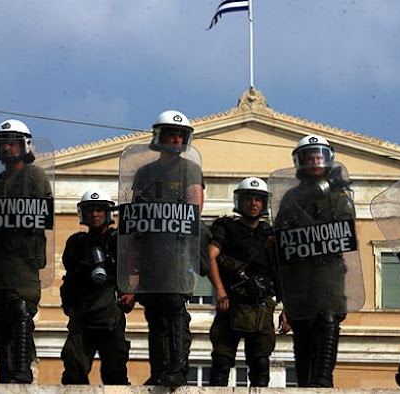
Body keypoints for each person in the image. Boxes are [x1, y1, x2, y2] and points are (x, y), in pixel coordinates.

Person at [0, 119, 53, 383]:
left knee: (20, 311)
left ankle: (21, 371)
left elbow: (43, 213)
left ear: (24, 145)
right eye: (2, 143)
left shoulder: (35, 176)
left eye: (12, 143)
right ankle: (5, 376)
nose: (7, 148)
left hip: (23, 262)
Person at [273, 135, 355, 387]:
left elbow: (344, 228)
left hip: (328, 269)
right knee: (302, 324)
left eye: (319, 157)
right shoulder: (291, 198)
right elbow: (281, 236)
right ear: (300, 163)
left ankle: (323, 379)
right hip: (299, 271)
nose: (314, 162)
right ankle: (306, 381)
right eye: (309, 158)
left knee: (327, 318)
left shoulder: (338, 195)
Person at [130, 110, 202, 386]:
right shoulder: (145, 173)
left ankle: (177, 367)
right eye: (170, 134)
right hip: (151, 250)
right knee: (154, 310)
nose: (175, 139)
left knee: (174, 307)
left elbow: (195, 208)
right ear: (159, 137)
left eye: (179, 136)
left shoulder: (189, 169)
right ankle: (159, 369)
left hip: (177, 248)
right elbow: (135, 212)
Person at [207, 177, 279, 387]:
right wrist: (220, 291)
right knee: (221, 361)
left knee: (260, 363)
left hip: (261, 305)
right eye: (249, 198)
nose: (253, 203)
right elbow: (211, 255)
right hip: (231, 303)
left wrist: (288, 309)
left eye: (258, 199)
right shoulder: (226, 228)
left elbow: (282, 272)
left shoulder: (270, 234)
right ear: (240, 201)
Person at [60, 189, 135, 385]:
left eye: (100, 210)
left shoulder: (119, 240)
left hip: (110, 313)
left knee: (115, 374)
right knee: (73, 371)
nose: (95, 214)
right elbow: (69, 277)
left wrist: (131, 293)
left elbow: (135, 269)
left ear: (108, 212)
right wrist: (68, 304)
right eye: (90, 210)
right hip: (82, 315)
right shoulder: (76, 243)